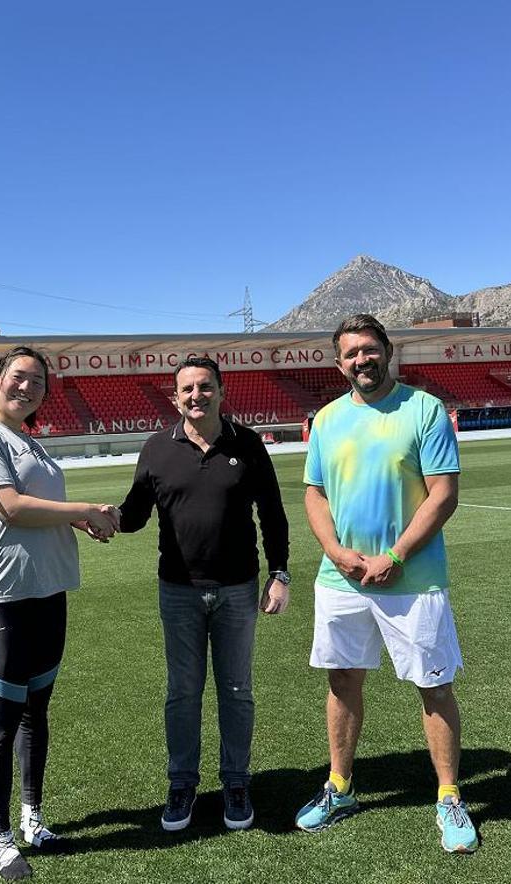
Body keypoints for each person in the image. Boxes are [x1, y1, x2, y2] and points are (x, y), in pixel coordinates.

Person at [295, 314, 478, 854]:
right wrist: (334, 550)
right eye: (350, 353)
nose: (361, 360)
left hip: (411, 579)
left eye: (369, 350)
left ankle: (448, 796)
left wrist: (396, 555)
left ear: (387, 351)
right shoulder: (326, 420)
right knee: (342, 682)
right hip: (341, 578)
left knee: (434, 686)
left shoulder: (423, 410)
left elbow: (443, 493)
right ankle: (341, 787)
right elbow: (314, 494)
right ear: (338, 362)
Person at [0, 346, 120, 880]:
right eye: (19, 378)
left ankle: (32, 816)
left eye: (38, 383)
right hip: (1, 594)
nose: (28, 388)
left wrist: (78, 524)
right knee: (1, 720)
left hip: (49, 590)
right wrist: (84, 510)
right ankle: (1, 837)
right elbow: (10, 507)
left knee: (36, 713)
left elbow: (39, 510)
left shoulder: (31, 443)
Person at [118, 356, 291, 833]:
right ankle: (182, 784)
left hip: (238, 589)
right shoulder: (156, 448)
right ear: (175, 397)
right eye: (187, 389)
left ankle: (236, 781)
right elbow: (134, 514)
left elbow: (273, 514)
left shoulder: (248, 443)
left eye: (205, 386)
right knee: (183, 692)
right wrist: (99, 516)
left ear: (221, 390)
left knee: (237, 692)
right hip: (178, 592)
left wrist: (280, 574)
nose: (196, 395)